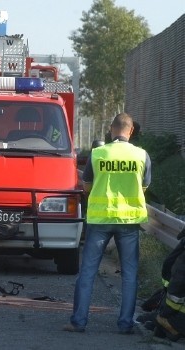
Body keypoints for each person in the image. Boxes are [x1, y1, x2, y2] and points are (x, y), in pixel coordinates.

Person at [64, 112, 151, 335]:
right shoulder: (141, 155)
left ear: (112, 129)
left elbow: (86, 186)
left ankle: (79, 322)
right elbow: (143, 188)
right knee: (130, 274)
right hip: (129, 222)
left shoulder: (98, 153)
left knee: (88, 272)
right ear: (130, 131)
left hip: (100, 220)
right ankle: (125, 324)